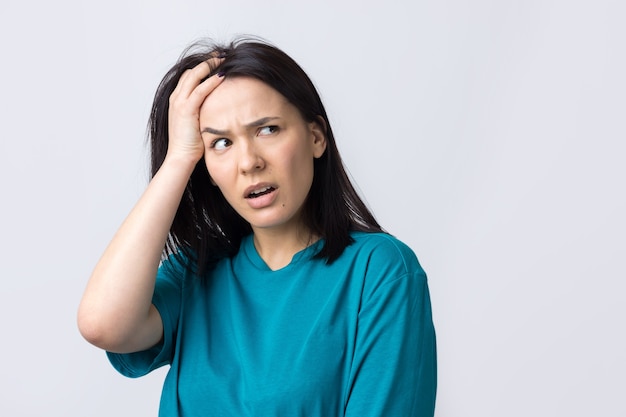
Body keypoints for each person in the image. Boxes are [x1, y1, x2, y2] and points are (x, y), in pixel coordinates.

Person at [77, 37, 437, 416]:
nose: (248, 162)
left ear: (316, 136)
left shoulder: (379, 271)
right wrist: (179, 158)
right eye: (220, 143)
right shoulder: (196, 271)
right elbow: (103, 324)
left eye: (267, 130)